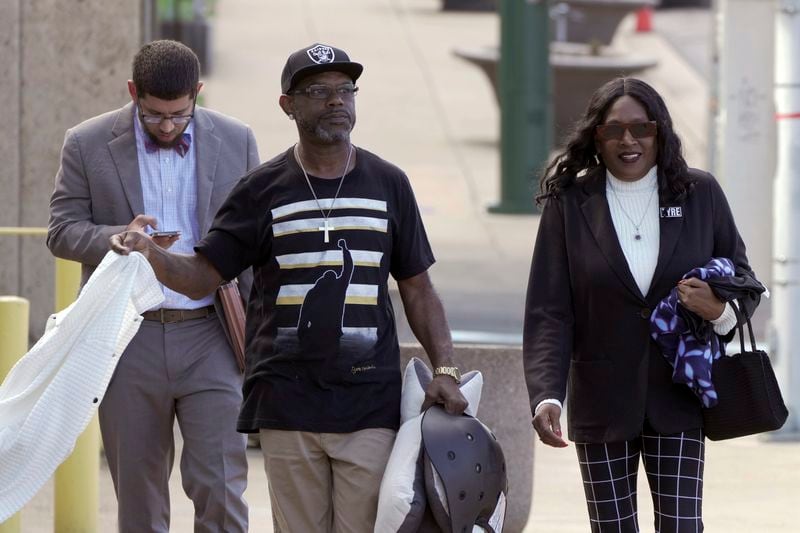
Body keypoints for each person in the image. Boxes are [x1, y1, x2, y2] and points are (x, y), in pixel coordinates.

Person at [109, 43, 468, 532]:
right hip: (286, 405)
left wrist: (444, 367)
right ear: (288, 104)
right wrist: (151, 253)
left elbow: (418, 288)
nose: (336, 102)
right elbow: (203, 276)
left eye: (345, 90)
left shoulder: (388, 184)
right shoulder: (261, 190)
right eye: (319, 92)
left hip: (368, 405)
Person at [523, 77, 759, 532]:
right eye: (614, 130)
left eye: (641, 128)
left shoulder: (699, 193)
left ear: (660, 132)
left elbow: (745, 280)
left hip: (678, 397)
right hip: (601, 399)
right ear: (597, 136)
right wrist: (547, 394)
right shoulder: (570, 202)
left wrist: (718, 310)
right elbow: (549, 309)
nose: (628, 140)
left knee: (682, 526)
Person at [47, 40, 259, 532]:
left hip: (212, 333)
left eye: (179, 115)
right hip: (127, 337)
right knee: (138, 498)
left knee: (221, 486)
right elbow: (62, 229)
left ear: (198, 94)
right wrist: (115, 238)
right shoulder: (86, 141)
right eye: (154, 115)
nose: (167, 126)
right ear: (132, 93)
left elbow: (255, 241)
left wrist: (260, 334)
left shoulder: (237, 140)